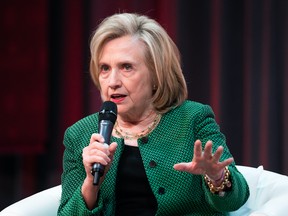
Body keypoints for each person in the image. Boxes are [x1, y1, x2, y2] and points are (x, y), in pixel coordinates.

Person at [58, 13, 249, 216]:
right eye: (105, 68)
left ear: (156, 74)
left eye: (126, 67)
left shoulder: (193, 119)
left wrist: (217, 177)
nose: (112, 81)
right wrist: (91, 183)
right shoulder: (79, 135)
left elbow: (235, 200)